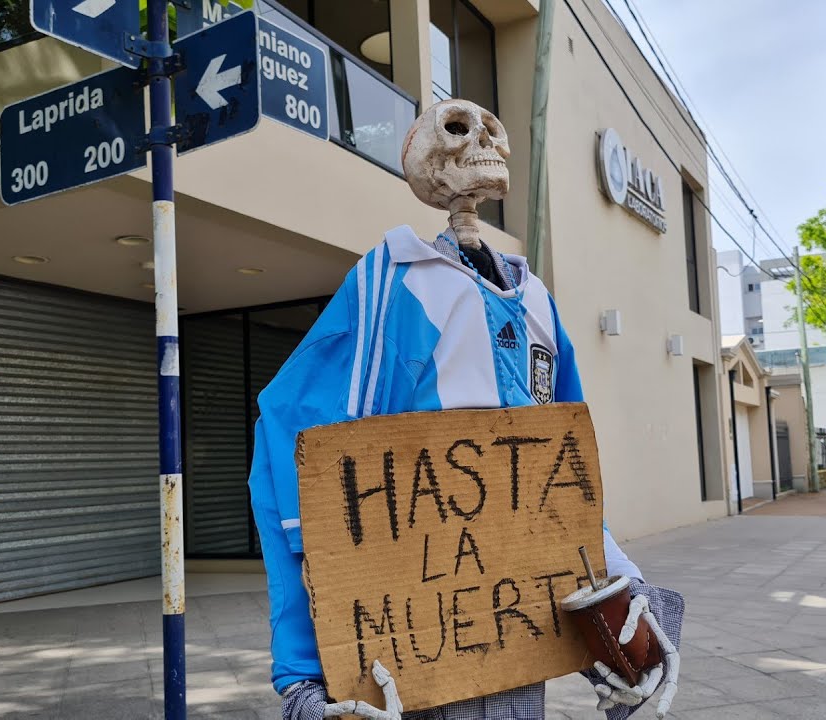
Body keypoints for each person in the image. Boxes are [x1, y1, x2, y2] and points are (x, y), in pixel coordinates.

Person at [248, 100, 683, 720]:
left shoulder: (536, 300)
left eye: (490, 131)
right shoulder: (390, 282)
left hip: (513, 647)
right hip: (410, 657)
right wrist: (303, 674)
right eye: (458, 129)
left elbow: (563, 483)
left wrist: (620, 590)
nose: (484, 143)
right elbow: (307, 456)